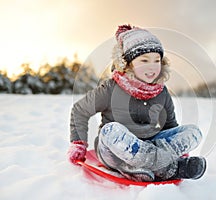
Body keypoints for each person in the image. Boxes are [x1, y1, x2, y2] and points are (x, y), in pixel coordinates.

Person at [67, 24, 206, 182]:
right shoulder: (111, 89)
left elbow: (169, 125)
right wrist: (78, 143)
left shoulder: (162, 92)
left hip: (151, 142)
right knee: (110, 130)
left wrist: (176, 148)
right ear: (128, 63)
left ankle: (147, 164)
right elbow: (80, 110)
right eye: (144, 60)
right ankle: (168, 168)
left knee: (193, 132)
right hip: (115, 151)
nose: (152, 67)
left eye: (156, 60)